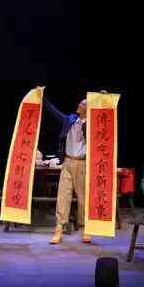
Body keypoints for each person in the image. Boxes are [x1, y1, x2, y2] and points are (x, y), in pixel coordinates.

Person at [42, 91, 107, 245]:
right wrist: (42, 97)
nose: (79, 105)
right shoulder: (70, 119)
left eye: (82, 104)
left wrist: (103, 99)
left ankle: (86, 229)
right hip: (67, 162)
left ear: (88, 108)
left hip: (82, 163)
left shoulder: (92, 124)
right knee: (63, 196)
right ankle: (59, 230)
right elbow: (54, 112)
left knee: (83, 198)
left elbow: (105, 118)